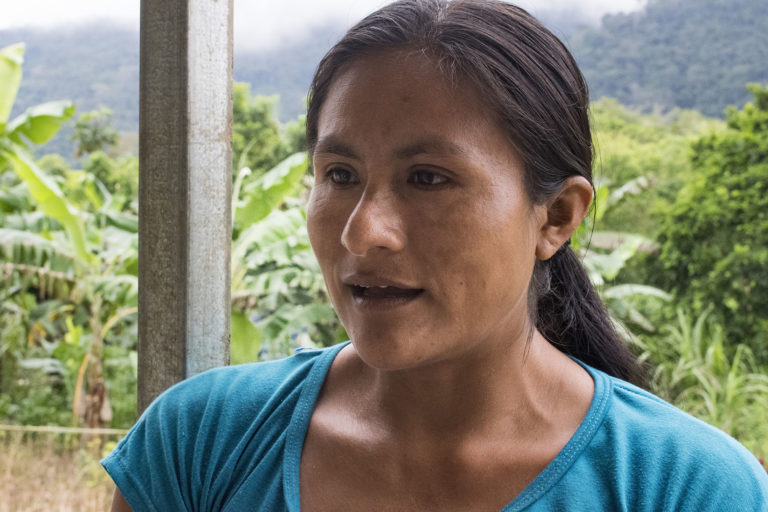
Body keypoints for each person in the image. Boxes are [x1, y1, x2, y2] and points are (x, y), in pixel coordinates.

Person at [103, 0, 768, 510]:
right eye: (339, 175)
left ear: (557, 215)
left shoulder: (685, 487)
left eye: (428, 178)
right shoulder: (200, 443)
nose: (363, 233)